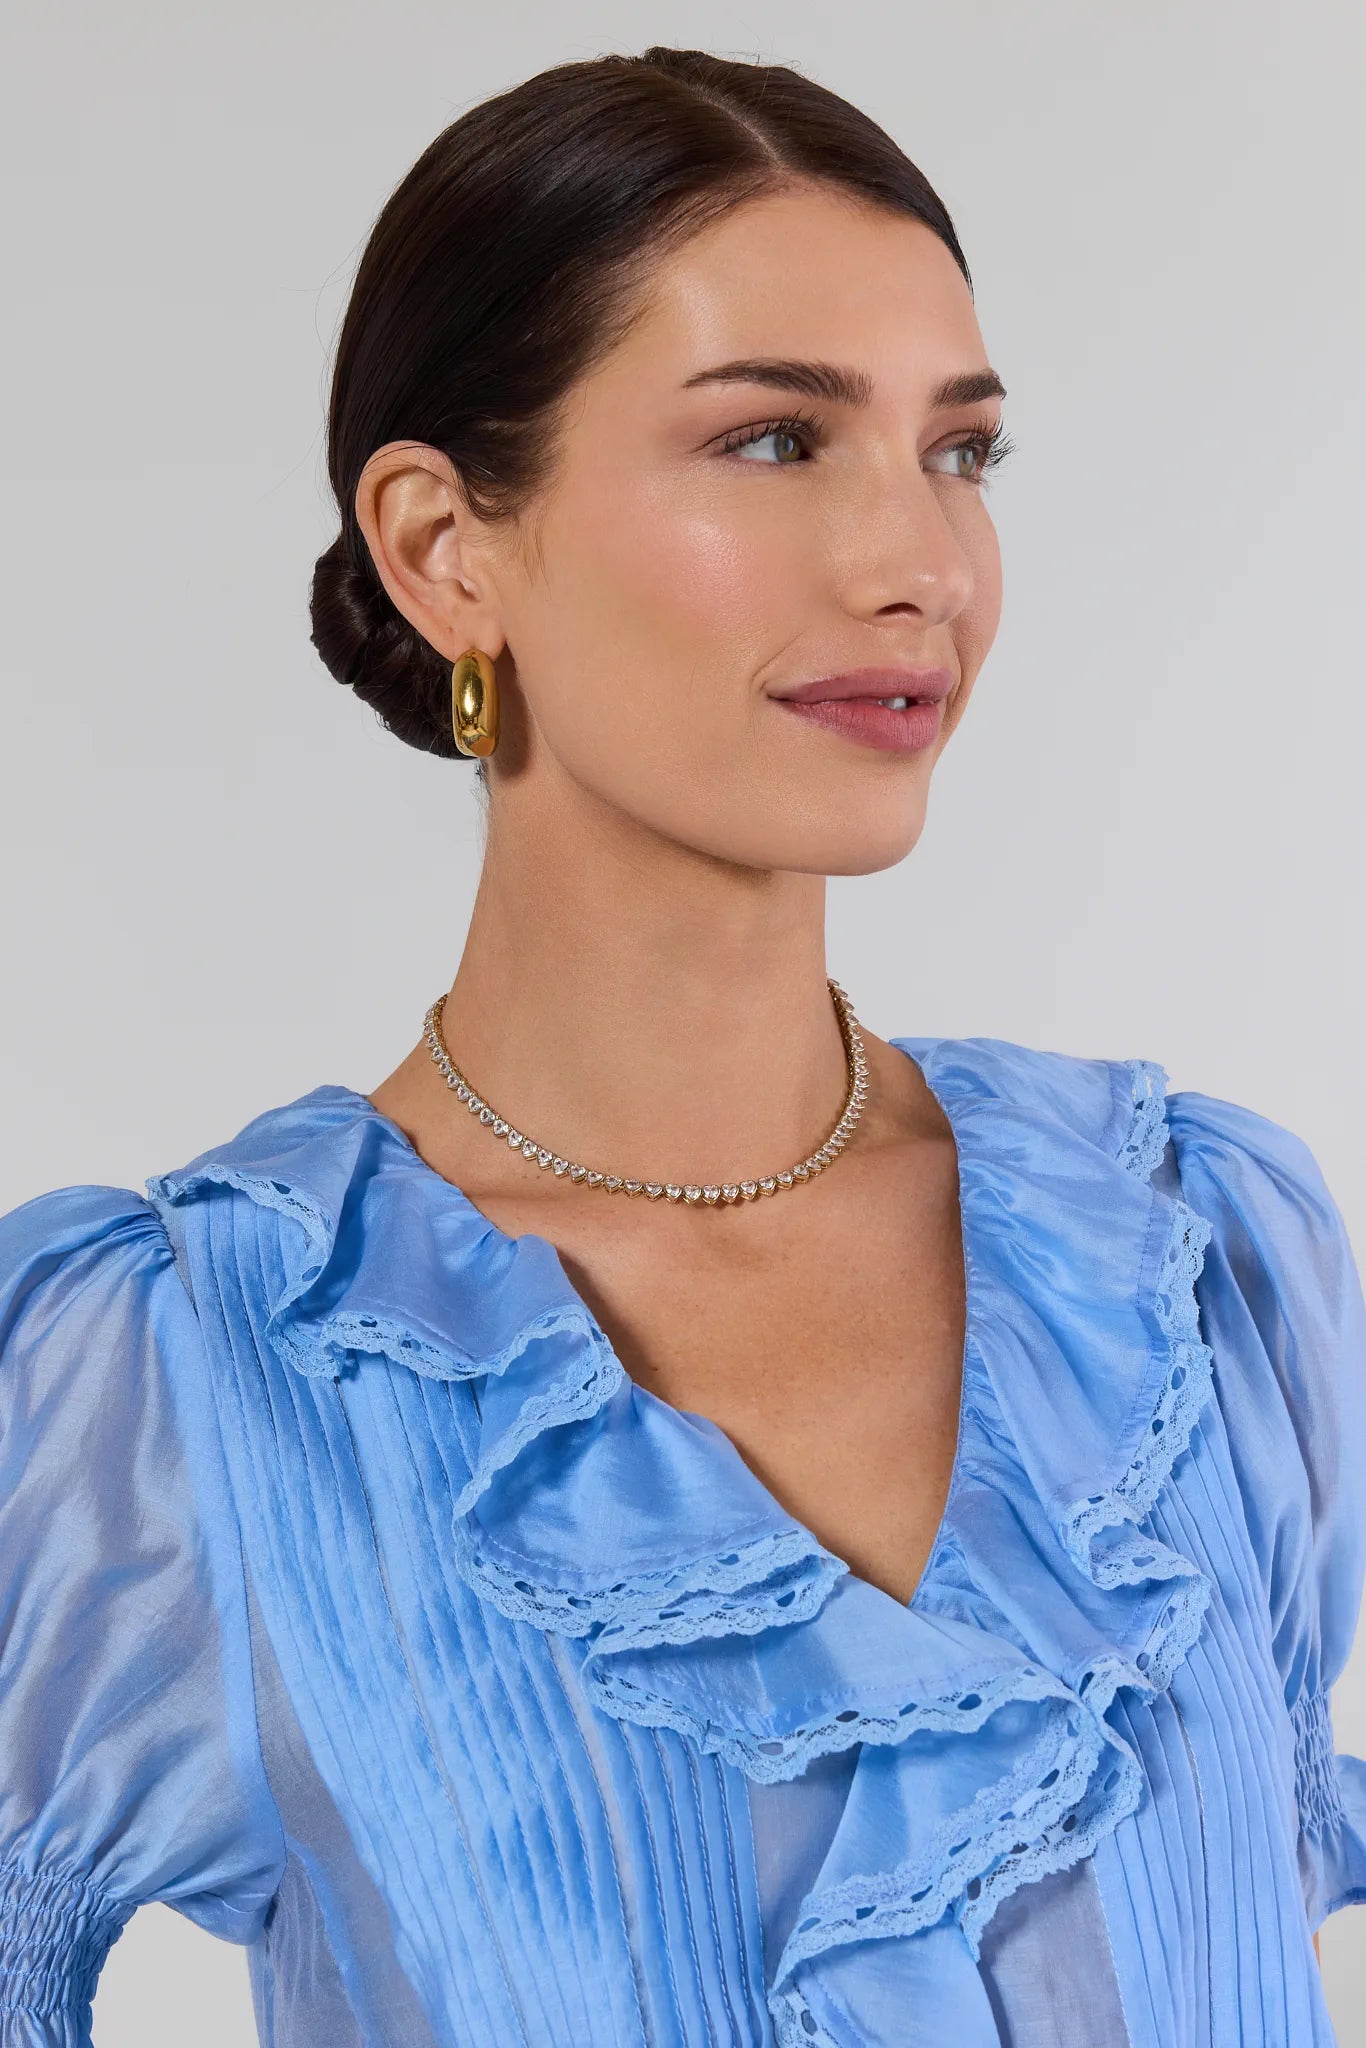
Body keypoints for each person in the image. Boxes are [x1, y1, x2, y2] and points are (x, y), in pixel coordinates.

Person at [1, 43, 1363, 2048]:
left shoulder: (1186, 1261)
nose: (917, 565)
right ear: (445, 550)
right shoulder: (181, 1382)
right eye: (771, 444)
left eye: (956, 453)